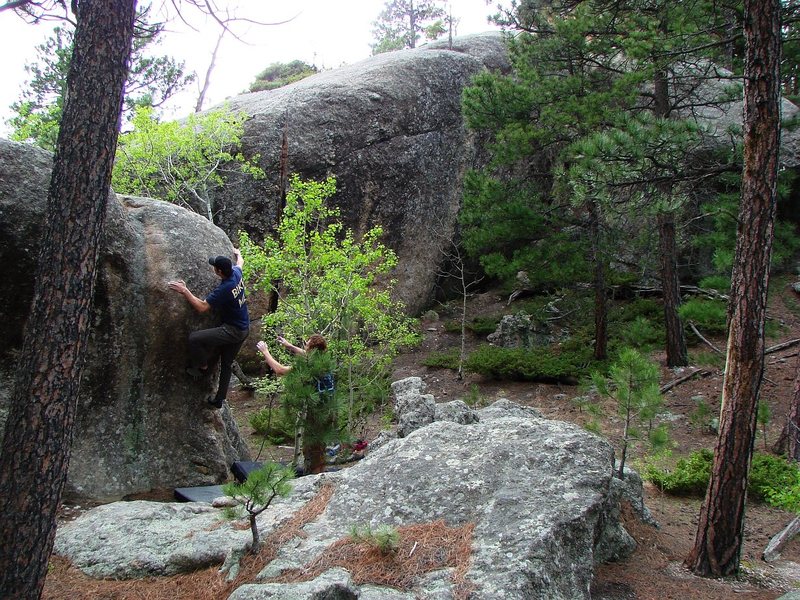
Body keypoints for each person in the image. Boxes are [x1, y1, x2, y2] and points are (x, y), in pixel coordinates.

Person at [168, 248, 249, 409]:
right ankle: (219, 400)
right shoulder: (236, 273)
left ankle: (202, 365)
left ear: (219, 271)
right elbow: (241, 262)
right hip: (244, 328)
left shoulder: (225, 288)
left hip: (232, 330)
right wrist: (238, 253)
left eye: (214, 267)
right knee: (226, 364)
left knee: (195, 338)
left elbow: (202, 307)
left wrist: (185, 291)